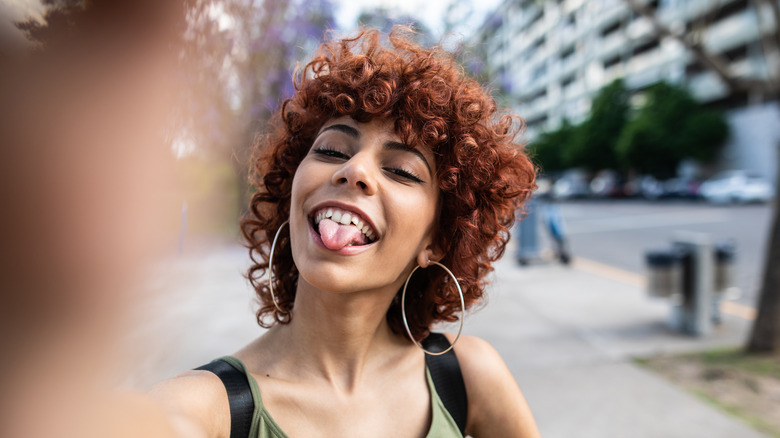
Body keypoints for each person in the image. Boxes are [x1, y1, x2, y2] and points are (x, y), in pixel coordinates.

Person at [150, 27, 540, 438]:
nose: (353, 170)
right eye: (332, 150)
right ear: (291, 192)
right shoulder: (201, 409)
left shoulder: (469, 378)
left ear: (437, 241)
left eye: (401, 171)